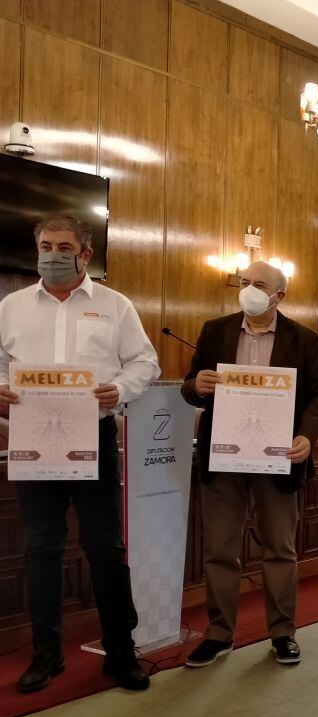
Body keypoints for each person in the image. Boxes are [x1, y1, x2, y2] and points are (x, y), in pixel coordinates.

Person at [0, 215, 160, 692]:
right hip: (32, 443)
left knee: (106, 549)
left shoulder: (115, 305)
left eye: (63, 246)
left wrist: (121, 390)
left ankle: (120, 652)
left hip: (95, 440)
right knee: (41, 551)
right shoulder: (11, 306)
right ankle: (46, 655)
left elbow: (145, 361)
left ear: (85, 254)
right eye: (45, 245)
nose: (52, 253)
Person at [181, 261, 318, 668]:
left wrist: (307, 435)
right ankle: (218, 633)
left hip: (278, 456)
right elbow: (190, 386)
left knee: (279, 548)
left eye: (259, 284)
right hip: (224, 457)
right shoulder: (216, 330)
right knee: (219, 550)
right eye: (244, 282)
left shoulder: (303, 339)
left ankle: (282, 632)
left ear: (279, 295)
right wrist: (197, 386)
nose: (248, 289)